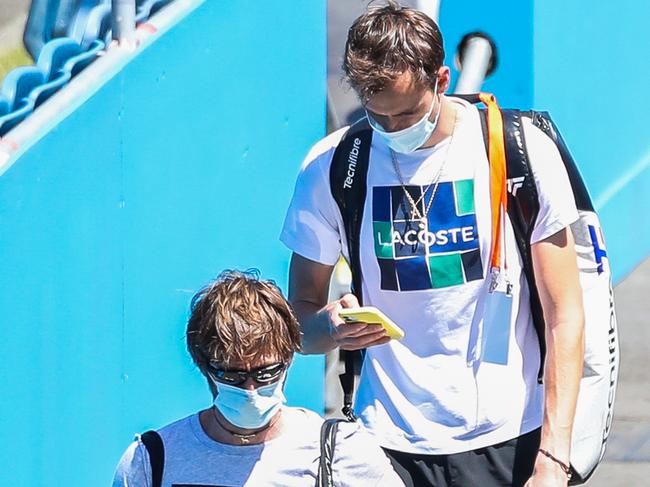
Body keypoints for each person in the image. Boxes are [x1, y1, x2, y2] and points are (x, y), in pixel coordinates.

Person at [280, 2, 585, 486]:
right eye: (377, 116)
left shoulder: (518, 149)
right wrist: (331, 327)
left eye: (405, 114)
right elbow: (298, 321)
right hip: (384, 443)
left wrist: (554, 455)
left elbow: (565, 312)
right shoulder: (332, 167)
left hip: (510, 437)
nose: (391, 130)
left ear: (442, 79)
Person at [112, 269, 403, 486]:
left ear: (288, 361)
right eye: (232, 374)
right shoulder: (151, 460)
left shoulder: (341, 451)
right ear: (204, 366)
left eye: (266, 373)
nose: (251, 389)